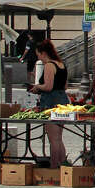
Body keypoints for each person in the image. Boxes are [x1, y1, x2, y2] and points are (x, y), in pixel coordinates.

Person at [30, 40, 70, 168]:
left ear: (43, 53)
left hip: (51, 102)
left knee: (53, 139)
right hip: (62, 101)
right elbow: (65, 86)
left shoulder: (49, 65)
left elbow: (48, 86)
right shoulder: (62, 65)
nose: (39, 58)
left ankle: (54, 166)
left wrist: (37, 87)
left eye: (38, 55)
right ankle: (63, 165)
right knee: (58, 137)